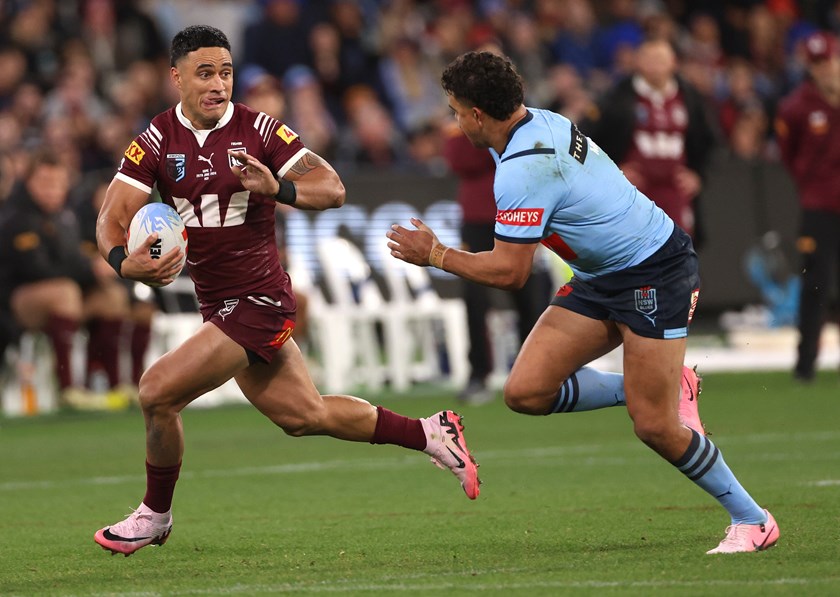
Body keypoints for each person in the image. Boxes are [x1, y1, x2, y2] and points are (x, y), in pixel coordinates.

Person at [92, 25, 479, 557]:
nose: (218, 85)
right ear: (176, 77)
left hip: (258, 299)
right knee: (304, 416)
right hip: (218, 303)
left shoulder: (260, 131)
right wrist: (124, 263)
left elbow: (333, 188)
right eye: (205, 73)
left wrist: (279, 188)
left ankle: (154, 515)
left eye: (225, 72)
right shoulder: (156, 140)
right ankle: (431, 433)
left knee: (157, 392)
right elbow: (110, 219)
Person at [386, 51, 779, 555]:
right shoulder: (535, 121)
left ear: (479, 115)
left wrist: (437, 254)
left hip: (654, 271)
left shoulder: (525, 168)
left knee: (655, 425)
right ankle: (657, 386)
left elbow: (510, 272)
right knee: (526, 392)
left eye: (456, 111)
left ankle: (753, 519)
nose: (455, 120)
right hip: (602, 276)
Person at [0, 149, 131, 409]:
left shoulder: (66, 217)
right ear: (29, 183)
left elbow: (75, 258)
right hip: (15, 304)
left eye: (58, 184)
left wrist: (96, 271)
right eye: (45, 183)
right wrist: (89, 270)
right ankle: (68, 389)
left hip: (66, 300)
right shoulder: (16, 218)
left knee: (112, 297)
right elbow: (35, 269)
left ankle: (112, 386)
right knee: (65, 291)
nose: (53, 190)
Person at [441, 122, 553, 404]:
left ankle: (534, 370)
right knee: (475, 299)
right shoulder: (464, 118)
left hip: (519, 210)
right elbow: (458, 159)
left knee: (529, 295)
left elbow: (533, 155)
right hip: (479, 216)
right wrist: (493, 141)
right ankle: (479, 374)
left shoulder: (517, 116)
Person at [580, 38, 716, 249]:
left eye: (660, 59)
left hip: (676, 193)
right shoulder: (616, 97)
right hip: (634, 192)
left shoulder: (690, 98)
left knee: (678, 254)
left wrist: (699, 175)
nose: (655, 66)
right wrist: (612, 172)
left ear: (673, 63)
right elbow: (586, 137)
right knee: (632, 254)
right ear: (638, 62)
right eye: (649, 59)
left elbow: (710, 142)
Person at [775, 31, 840, 382]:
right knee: (815, 283)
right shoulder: (796, 106)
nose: (825, 69)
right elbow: (789, 156)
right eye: (817, 63)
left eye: (828, 60)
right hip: (820, 206)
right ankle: (805, 365)